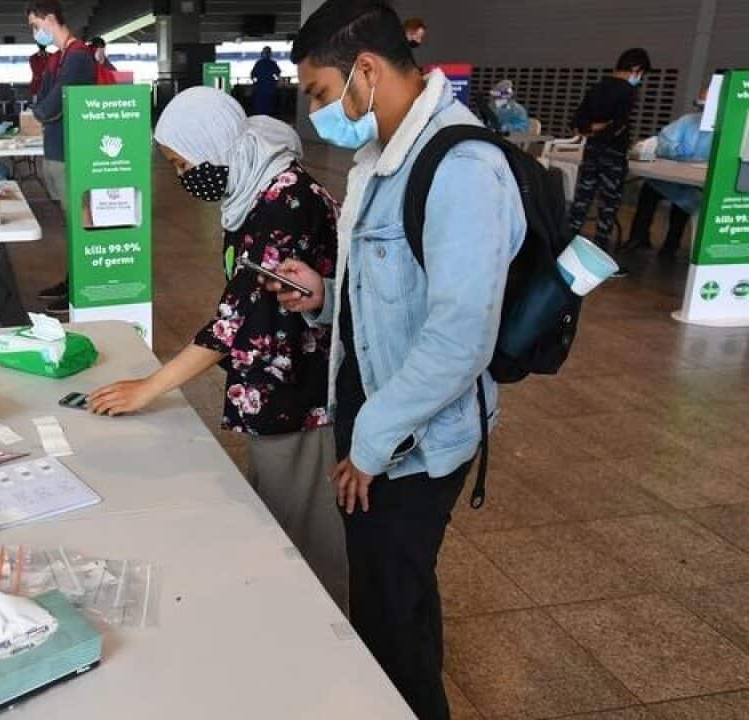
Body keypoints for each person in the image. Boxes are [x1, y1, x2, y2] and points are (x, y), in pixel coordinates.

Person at [269, 2, 524, 718]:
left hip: (410, 440)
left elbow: (459, 339)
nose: (318, 111)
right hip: (377, 415)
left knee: (388, 625)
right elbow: (388, 296)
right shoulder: (380, 156)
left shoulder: (462, 167)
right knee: (397, 594)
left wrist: (371, 444)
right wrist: (322, 297)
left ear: (366, 70)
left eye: (321, 92)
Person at [89, 87, 348, 608]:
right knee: (278, 508)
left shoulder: (286, 202)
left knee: (306, 525)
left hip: (300, 390)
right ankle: (289, 612)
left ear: (212, 144)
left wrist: (150, 388)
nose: (183, 175)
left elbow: (235, 319)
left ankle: (328, 630)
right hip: (275, 375)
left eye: (182, 163)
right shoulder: (255, 181)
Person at [27, 0, 98, 314]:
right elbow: (44, 96)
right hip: (58, 148)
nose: (35, 32)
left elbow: (52, 103)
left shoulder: (78, 55)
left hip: (72, 152)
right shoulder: (60, 57)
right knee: (70, 224)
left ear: (50, 19)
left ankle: (81, 284)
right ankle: (73, 279)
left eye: (35, 25)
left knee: (78, 222)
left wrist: (39, 112)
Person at [568, 47, 651, 276]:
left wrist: (592, 128)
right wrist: (604, 127)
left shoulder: (597, 87)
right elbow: (618, 126)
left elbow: (577, 123)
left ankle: (563, 250)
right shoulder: (628, 92)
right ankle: (600, 259)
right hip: (613, 154)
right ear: (636, 69)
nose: (640, 79)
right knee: (608, 206)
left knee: (581, 202)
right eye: (641, 74)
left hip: (591, 151)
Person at [627, 85, 714, 257]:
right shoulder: (688, 121)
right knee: (649, 190)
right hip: (670, 177)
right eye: (700, 105)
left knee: (683, 202)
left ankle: (671, 245)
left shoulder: (727, 127)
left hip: (695, 183)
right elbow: (664, 140)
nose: (702, 110)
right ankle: (638, 237)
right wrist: (674, 149)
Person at [250, 46, 282, 116]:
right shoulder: (272, 63)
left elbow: (252, 76)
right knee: (269, 109)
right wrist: (275, 82)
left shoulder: (259, 63)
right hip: (270, 89)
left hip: (260, 90)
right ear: (270, 54)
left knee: (259, 110)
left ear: (262, 53)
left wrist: (255, 83)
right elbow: (278, 74)